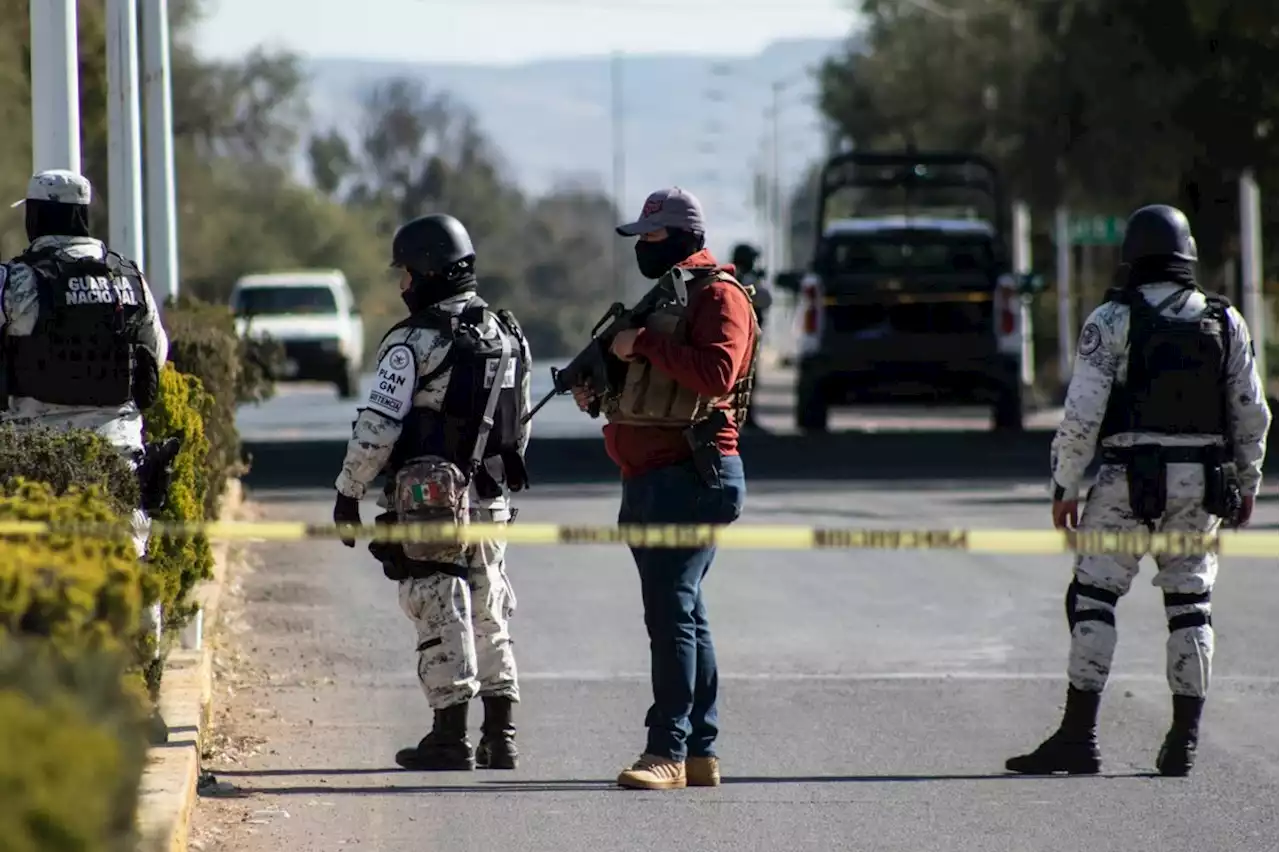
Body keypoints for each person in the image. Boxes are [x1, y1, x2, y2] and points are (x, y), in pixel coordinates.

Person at [1006, 204, 1271, 778]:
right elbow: (1252, 413)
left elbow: (1081, 416)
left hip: (1127, 480)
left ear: (1133, 254)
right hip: (1201, 486)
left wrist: (1065, 486)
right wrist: (1247, 483)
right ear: (1189, 255)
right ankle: (1185, 742)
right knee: (1191, 608)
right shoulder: (1227, 322)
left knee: (1094, 599)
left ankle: (1079, 738)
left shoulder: (1112, 319)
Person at [572, 187, 758, 790]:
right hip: (651, 478)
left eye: (653, 238)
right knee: (685, 613)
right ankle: (701, 752)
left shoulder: (720, 297)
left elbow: (718, 373)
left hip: (692, 475)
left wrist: (643, 343)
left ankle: (668, 751)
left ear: (684, 237)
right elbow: (644, 385)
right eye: (641, 239)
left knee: (671, 613)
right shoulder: (664, 299)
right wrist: (600, 386)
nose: (644, 249)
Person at [331, 213, 531, 772]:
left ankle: (449, 737)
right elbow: (518, 426)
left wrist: (348, 491)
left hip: (428, 503)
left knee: (440, 611)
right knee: (490, 606)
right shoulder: (509, 332)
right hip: (489, 496)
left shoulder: (410, 342)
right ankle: (501, 735)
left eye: (406, 275)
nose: (402, 287)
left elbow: (378, 425)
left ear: (427, 273)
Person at [0, 167, 169, 616]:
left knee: (33, 575)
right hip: (118, 449)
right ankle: (143, 672)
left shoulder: (16, 281)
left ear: (37, 217)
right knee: (131, 560)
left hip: (34, 454)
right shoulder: (127, 277)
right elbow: (157, 353)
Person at [730, 243, 770, 431]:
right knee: (744, 378)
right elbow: (764, 299)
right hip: (743, 336)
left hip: (743, 336)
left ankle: (744, 416)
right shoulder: (742, 278)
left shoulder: (734, 276)